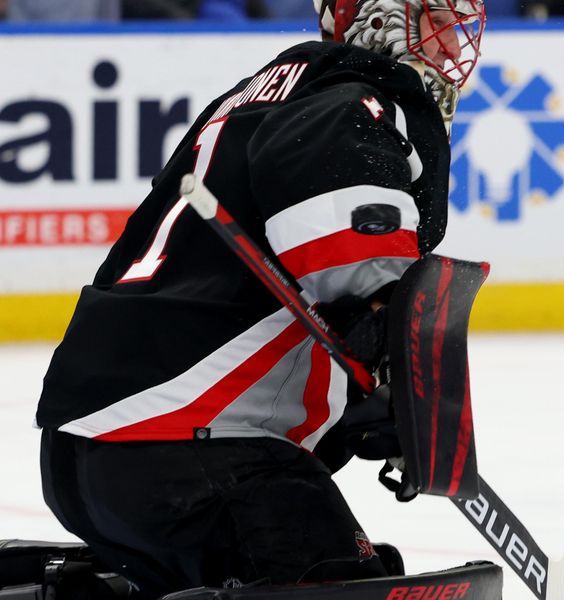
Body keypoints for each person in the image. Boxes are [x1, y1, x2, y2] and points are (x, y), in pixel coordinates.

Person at [36, 0, 486, 598]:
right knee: (339, 581)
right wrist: (391, 357)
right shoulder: (355, 100)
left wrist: (355, 407)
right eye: (435, 20)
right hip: (190, 445)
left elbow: (233, 292)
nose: (453, 46)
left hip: (88, 446)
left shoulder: (253, 98)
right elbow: (352, 251)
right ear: (375, 18)